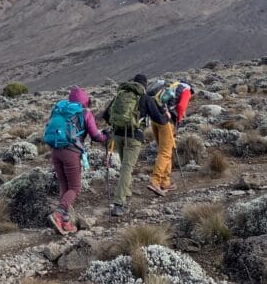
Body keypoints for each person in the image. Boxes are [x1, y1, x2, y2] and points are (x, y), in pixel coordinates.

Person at [102, 74, 167, 216]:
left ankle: (127, 191)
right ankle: (119, 203)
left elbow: (106, 115)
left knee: (124, 165)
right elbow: (160, 120)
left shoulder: (121, 94)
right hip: (133, 137)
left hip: (117, 135)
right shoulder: (145, 98)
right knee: (127, 168)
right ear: (145, 84)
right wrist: (166, 115)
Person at [47, 87, 108, 235]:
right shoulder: (85, 112)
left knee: (65, 186)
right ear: (85, 100)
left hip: (55, 151)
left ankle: (65, 222)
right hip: (71, 153)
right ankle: (59, 213)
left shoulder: (60, 110)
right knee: (75, 188)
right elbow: (95, 135)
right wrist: (105, 137)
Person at [147, 80, 195, 196]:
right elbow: (181, 106)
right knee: (165, 152)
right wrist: (178, 120)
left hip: (155, 120)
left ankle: (165, 181)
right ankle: (155, 181)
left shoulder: (171, 87)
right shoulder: (186, 90)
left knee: (165, 151)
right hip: (167, 123)